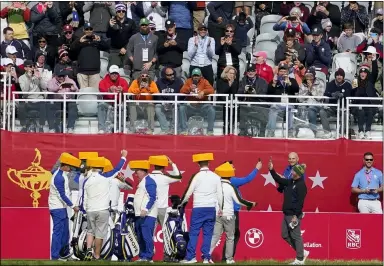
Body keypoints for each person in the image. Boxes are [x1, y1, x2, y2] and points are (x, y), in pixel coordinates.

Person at [83, 150, 128, 261]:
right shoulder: (106, 177)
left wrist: (85, 209)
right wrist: (123, 157)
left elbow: (84, 197)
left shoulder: (86, 180)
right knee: (99, 234)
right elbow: (117, 169)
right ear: (102, 168)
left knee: (90, 231)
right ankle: (96, 255)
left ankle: (89, 250)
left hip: (90, 210)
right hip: (102, 210)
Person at [180, 153, 223, 264]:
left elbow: (188, 192)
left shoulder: (196, 176)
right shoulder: (216, 177)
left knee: (194, 233)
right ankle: (206, 257)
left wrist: (182, 202)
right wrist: (221, 208)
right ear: (209, 163)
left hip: (198, 208)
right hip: (211, 209)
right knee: (208, 234)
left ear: (198, 164)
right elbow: (220, 195)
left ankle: (191, 257)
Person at [268, 158, 309, 265]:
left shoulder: (301, 185)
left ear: (298, 173)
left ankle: (300, 259)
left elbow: (300, 202)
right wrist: (272, 170)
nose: (292, 172)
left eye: (294, 171)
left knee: (296, 236)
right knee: (284, 235)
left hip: (293, 215)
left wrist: (296, 215)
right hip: (286, 214)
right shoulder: (291, 181)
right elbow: (279, 179)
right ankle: (302, 252)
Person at [221, 160, 262, 261]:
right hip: (232, 212)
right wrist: (257, 168)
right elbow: (247, 179)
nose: (234, 169)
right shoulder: (232, 180)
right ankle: (227, 258)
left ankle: (225, 258)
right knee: (233, 235)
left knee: (230, 234)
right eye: (232, 167)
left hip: (226, 211)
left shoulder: (221, 181)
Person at [49, 153, 81, 260]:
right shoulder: (58, 177)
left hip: (61, 207)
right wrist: (73, 206)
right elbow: (62, 195)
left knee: (65, 232)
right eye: (69, 167)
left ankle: (65, 253)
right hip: (57, 207)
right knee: (58, 232)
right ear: (64, 166)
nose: (70, 169)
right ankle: (54, 256)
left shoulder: (61, 173)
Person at [130, 159, 157, 262]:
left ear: (143, 171)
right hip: (139, 215)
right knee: (140, 236)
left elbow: (153, 197)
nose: (136, 174)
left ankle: (149, 257)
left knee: (146, 236)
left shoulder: (149, 181)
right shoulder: (142, 182)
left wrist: (145, 209)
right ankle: (142, 256)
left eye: (137, 171)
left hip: (147, 214)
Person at [148, 155, 182, 227]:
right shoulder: (165, 177)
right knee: (166, 232)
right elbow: (179, 177)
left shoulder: (148, 177)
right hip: (162, 209)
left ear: (154, 166)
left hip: (150, 208)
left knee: (150, 232)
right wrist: (172, 164)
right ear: (163, 168)